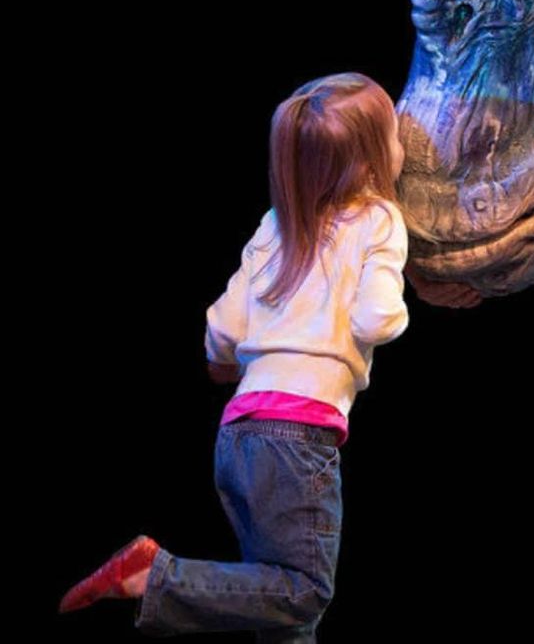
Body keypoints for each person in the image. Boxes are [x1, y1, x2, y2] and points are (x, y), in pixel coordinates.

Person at [57, 72, 414, 642]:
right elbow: (376, 318)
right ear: (371, 161)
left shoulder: (279, 225)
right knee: (303, 592)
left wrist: (227, 363)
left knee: (279, 605)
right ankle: (155, 576)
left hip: (239, 432)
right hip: (299, 437)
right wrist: (396, 314)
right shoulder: (379, 220)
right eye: (395, 137)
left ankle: (157, 579)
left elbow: (221, 327)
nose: (403, 147)